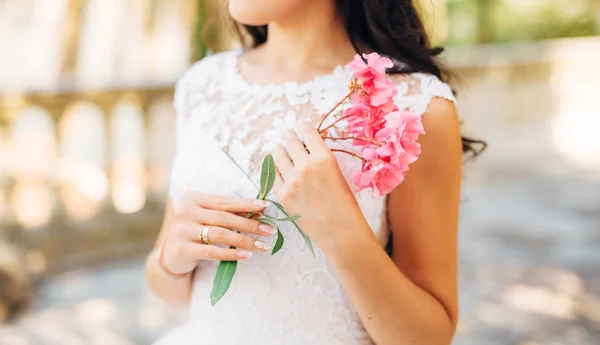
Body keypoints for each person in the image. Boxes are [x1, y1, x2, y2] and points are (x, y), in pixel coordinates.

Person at [146, 0, 477, 344]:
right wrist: (173, 256)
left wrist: (343, 232)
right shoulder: (202, 86)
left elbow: (429, 337)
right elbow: (167, 288)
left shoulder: (415, 107)